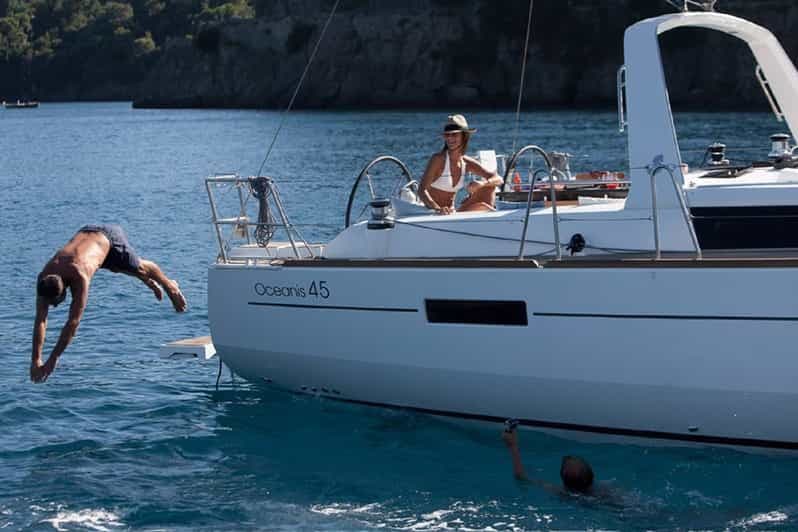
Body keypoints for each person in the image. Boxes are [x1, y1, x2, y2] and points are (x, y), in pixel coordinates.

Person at [31, 224, 187, 383]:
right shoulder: (44, 276)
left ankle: (170, 285)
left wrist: (53, 358)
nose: (54, 306)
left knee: (139, 267)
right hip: (89, 236)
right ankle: (147, 281)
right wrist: (36, 360)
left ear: (63, 291)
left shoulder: (80, 276)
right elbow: (40, 320)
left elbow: (73, 322)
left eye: (55, 303)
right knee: (117, 267)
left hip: (109, 238)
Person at [418, 114, 503, 214]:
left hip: (452, 213)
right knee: (484, 204)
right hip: (434, 213)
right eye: (447, 135)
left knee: (489, 188)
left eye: (454, 134)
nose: (450, 138)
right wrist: (437, 209)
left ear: (464, 136)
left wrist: (482, 183)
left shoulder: (466, 162)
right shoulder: (438, 159)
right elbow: (422, 190)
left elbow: (498, 179)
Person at [502, 422, 596, 495]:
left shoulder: (561, 492)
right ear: (592, 476)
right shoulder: (602, 492)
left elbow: (521, 478)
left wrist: (513, 446)